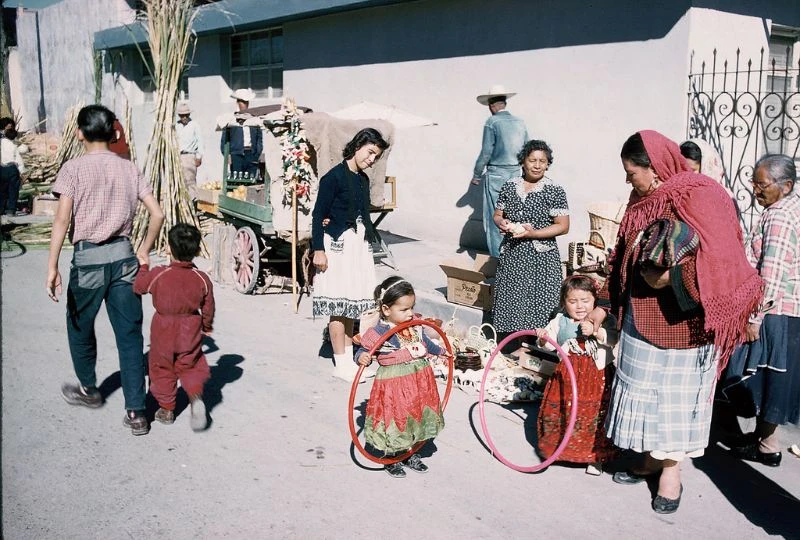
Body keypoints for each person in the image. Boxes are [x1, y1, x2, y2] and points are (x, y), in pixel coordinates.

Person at [589, 130, 762, 514]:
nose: (627, 180)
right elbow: (621, 254)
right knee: (646, 393)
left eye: (631, 172)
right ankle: (651, 458)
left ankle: (671, 471)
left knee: (676, 401)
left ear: (653, 167)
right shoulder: (642, 200)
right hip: (641, 318)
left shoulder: (701, 194)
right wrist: (604, 303)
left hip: (686, 325)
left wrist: (672, 279)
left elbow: (725, 262)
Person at [46, 105, 164, 436]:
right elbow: (157, 214)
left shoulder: (72, 170)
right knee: (129, 336)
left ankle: (89, 389)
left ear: (79, 133)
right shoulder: (129, 169)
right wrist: (143, 249)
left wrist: (52, 266)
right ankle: (137, 413)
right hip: (125, 261)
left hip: (87, 264)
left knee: (80, 327)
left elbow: (61, 220)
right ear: (113, 133)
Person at [725, 154, 800, 467]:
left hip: (774, 311)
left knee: (758, 374)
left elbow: (771, 272)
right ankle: (763, 438)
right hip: (787, 310)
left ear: (785, 186)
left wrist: (755, 317)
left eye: (761, 184)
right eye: (753, 183)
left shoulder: (779, 216)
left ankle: (768, 444)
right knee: (773, 377)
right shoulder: (790, 208)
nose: (755, 190)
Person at [311, 127, 389, 381]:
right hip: (336, 246)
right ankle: (341, 362)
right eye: (369, 153)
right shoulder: (332, 178)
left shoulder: (362, 179)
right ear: (358, 146)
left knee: (349, 306)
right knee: (338, 304)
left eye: (376, 156)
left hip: (356, 247)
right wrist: (318, 250)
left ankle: (346, 360)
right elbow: (317, 215)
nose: (371, 159)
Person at [356, 276, 447, 477]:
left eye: (411, 308)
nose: (410, 313)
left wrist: (442, 352)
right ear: (386, 310)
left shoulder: (415, 324)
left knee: (415, 414)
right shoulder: (378, 332)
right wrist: (362, 357)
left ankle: (409, 452)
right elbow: (364, 350)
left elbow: (425, 343)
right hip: (394, 383)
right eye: (404, 309)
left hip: (419, 379)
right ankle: (392, 456)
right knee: (396, 417)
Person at [133, 223, 214, 431]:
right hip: (191, 328)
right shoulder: (201, 279)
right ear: (197, 251)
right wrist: (206, 326)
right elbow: (208, 308)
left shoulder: (160, 274)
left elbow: (139, 286)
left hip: (163, 329)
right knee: (190, 365)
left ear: (169, 248)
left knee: (162, 368)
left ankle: (167, 409)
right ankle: (196, 399)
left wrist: (143, 266)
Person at [535, 275, 618, 476]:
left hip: (596, 376)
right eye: (572, 301)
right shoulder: (560, 320)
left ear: (595, 301)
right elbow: (549, 343)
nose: (579, 306)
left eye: (585, 301)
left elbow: (614, 339)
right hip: (566, 374)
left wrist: (597, 333)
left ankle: (595, 457)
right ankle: (558, 450)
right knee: (563, 410)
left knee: (593, 414)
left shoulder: (605, 318)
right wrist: (542, 338)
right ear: (564, 302)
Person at [491, 139, 569, 349]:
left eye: (542, 161)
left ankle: (537, 349)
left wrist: (534, 233)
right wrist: (502, 222)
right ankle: (514, 346)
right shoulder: (509, 186)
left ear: (548, 164)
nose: (537, 165)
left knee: (539, 301)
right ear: (523, 162)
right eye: (532, 160)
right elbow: (498, 214)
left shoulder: (554, 191)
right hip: (513, 253)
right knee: (513, 298)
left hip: (541, 257)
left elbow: (563, 226)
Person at [471, 84, 529, 257]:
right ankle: (514, 254)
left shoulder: (492, 122)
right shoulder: (519, 122)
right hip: (516, 172)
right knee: (513, 215)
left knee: (495, 217)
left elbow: (486, 151)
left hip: (497, 173)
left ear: (491, 105)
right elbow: (527, 148)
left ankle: (498, 258)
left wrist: (476, 173)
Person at [220, 111, 262, 178]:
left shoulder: (253, 120)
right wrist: (227, 155)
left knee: (251, 179)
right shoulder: (232, 120)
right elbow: (224, 140)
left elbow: (259, 138)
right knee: (237, 180)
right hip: (236, 155)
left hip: (251, 154)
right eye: (241, 102)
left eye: (245, 102)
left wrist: (257, 154)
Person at [176, 101, 204, 202]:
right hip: (178, 156)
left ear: (189, 115)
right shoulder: (176, 126)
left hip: (189, 156)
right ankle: (183, 204)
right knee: (180, 181)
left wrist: (199, 157)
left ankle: (193, 204)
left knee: (190, 181)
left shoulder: (194, 125)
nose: (184, 118)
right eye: (182, 115)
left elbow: (200, 141)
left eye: (186, 115)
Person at [0, 123, 26, 216]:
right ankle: (11, 210)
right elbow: (19, 160)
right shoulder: (14, 146)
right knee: (13, 191)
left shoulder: (1, 143)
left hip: (2, 169)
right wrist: (22, 172)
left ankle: (1, 209)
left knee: (2, 191)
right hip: (12, 169)